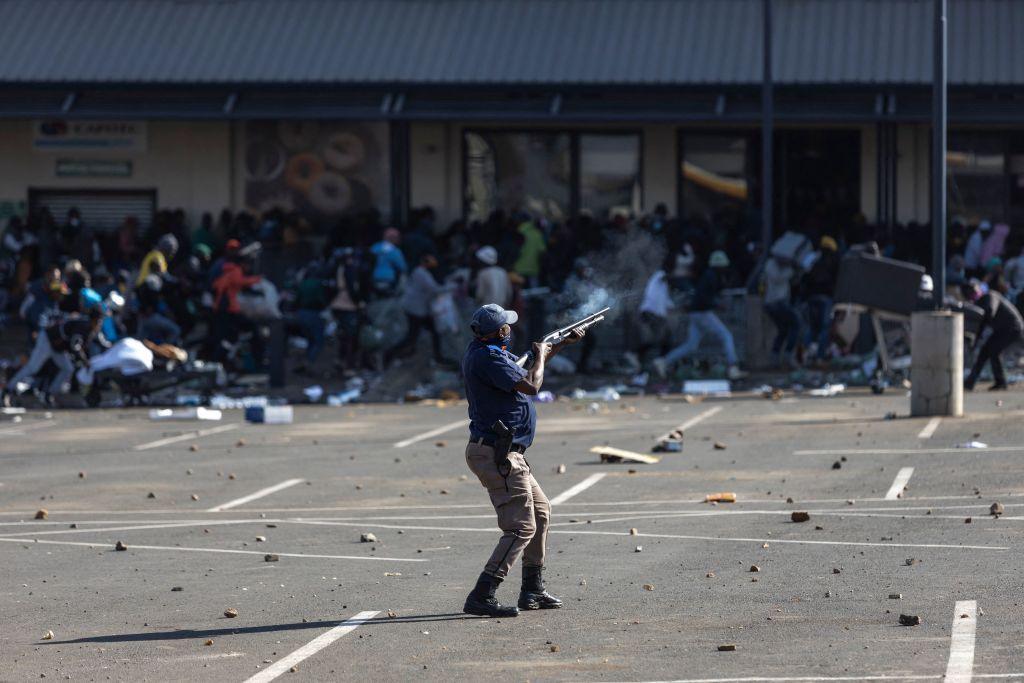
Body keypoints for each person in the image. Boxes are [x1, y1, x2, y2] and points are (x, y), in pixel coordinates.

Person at [461, 303, 584, 617]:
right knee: (520, 527)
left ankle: (532, 589)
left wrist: (557, 347)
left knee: (541, 513)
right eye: (507, 326)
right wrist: (542, 354)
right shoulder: (488, 358)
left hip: (508, 452)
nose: (511, 330)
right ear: (501, 331)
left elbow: (523, 376)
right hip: (498, 453)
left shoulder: (489, 354)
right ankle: (482, 594)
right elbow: (532, 384)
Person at [653, 251, 745, 380]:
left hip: (697, 313)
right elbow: (703, 299)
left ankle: (663, 362)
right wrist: (717, 305)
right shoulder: (711, 276)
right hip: (702, 313)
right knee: (726, 335)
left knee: (691, 345)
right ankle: (733, 367)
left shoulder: (710, 275)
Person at [2, 308, 104, 408]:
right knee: (32, 368)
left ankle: (49, 394)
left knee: (68, 369)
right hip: (47, 341)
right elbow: (75, 346)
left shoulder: (90, 327)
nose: (100, 323)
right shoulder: (83, 325)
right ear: (93, 319)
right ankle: (7, 390)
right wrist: (84, 360)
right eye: (98, 320)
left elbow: (97, 342)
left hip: (58, 348)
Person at [964, 281, 1024, 391]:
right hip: (1002, 329)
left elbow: (991, 311)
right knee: (986, 352)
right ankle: (972, 382)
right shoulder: (979, 305)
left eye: (973, 291)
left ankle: (999, 381)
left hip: (1012, 328)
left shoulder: (990, 296)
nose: (971, 294)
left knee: (992, 351)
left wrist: (983, 317)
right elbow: (981, 327)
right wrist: (975, 342)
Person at [389, 252, 447, 363]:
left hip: (419, 309)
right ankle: (390, 353)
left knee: (432, 332)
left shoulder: (419, 272)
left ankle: (438, 356)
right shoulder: (421, 273)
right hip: (417, 310)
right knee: (413, 336)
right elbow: (434, 289)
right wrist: (451, 286)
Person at [762, 254, 800, 368]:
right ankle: (787, 356)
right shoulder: (771, 264)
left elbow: (793, 281)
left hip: (778, 303)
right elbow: (778, 278)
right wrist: (790, 266)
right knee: (796, 324)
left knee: (783, 330)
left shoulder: (784, 267)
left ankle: (775, 358)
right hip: (775, 303)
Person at [370, 227, 407, 295]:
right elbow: (402, 267)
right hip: (388, 279)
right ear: (393, 238)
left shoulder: (375, 248)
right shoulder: (394, 251)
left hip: (373, 278)